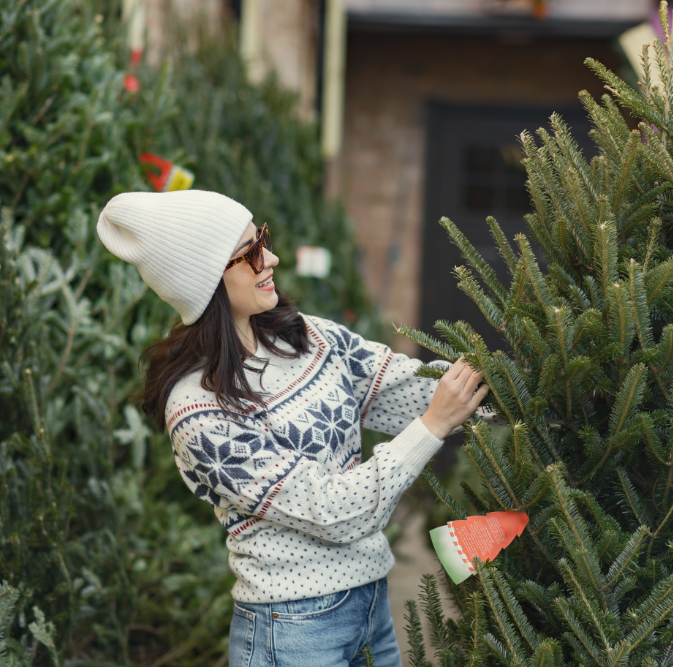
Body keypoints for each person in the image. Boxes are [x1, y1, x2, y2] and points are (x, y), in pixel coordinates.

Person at [97, 190, 489, 667]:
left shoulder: (307, 336)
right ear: (206, 280)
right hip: (294, 632)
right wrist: (433, 427)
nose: (272, 257)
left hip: (370, 609)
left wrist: (530, 390)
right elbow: (332, 511)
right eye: (251, 252)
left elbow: (409, 388)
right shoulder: (197, 410)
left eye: (262, 237)